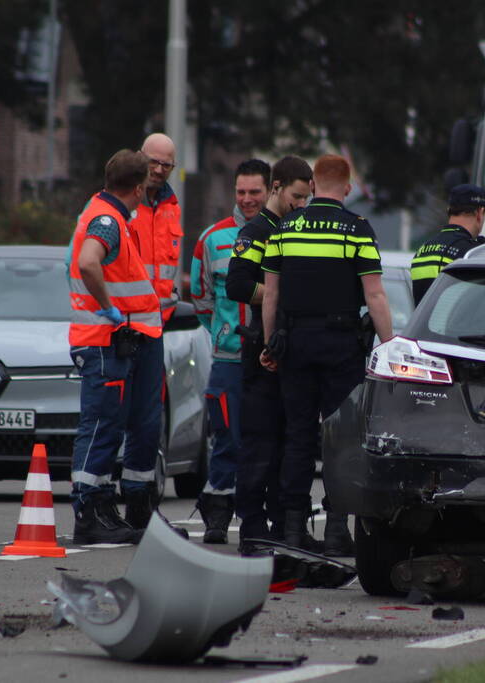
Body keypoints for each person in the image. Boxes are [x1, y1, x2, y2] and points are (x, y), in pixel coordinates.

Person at [260, 154, 393, 552]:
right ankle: (337, 530)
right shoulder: (357, 230)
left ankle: (293, 531)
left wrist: (270, 345)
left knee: (298, 438)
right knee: (340, 441)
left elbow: (271, 295)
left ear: (314, 185)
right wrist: (390, 347)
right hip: (341, 348)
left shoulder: (285, 228)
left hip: (296, 345)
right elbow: (374, 294)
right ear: (348, 187)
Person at [67, 149, 161, 544]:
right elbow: (90, 262)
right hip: (104, 340)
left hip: (111, 341)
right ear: (138, 189)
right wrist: (109, 308)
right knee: (102, 425)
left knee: (109, 425)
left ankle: (101, 509)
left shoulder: (101, 210)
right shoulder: (107, 220)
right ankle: (89, 514)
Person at [225, 155, 312, 555]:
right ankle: (254, 528)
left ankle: (284, 525)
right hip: (261, 350)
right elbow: (239, 285)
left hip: (290, 352)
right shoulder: (257, 231)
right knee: (260, 443)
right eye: (296, 196)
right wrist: (279, 295)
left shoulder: (295, 228)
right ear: (277, 188)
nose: (301, 205)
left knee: (289, 443)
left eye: (306, 198)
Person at [190, 159, 271, 543]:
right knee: (227, 438)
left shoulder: (280, 234)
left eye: (255, 192)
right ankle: (217, 513)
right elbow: (200, 297)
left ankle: (264, 516)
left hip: (271, 356)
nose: (247, 199)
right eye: (241, 192)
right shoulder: (212, 239)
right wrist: (223, 332)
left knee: (269, 438)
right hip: (229, 358)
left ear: (269, 190)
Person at [122, 132, 182, 532]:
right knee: (112, 419)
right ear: (139, 158)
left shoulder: (172, 207)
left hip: (154, 330)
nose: (159, 170)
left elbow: (167, 275)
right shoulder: (123, 204)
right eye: (153, 162)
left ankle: (139, 508)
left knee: (148, 423)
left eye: (166, 164)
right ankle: (96, 507)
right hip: (120, 329)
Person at [410, 183, 485, 306]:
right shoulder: (471, 253)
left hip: (420, 325)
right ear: (480, 213)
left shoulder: (422, 250)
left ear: (449, 210)